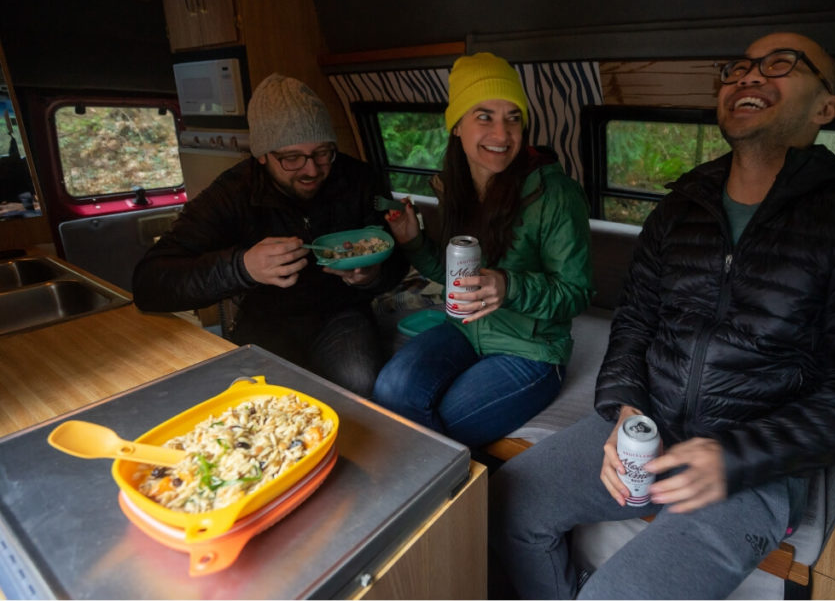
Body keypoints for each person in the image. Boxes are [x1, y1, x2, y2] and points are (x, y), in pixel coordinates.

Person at [490, 32, 835, 599]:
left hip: (757, 464)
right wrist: (625, 409)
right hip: (650, 423)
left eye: (780, 65)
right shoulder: (681, 207)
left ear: (825, 107)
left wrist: (737, 456)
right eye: (739, 68)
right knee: (506, 501)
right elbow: (634, 320)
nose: (748, 76)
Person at [132, 73, 408, 396]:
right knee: (265, 398)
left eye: (323, 152)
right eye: (292, 157)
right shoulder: (233, 193)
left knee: (358, 382)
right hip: (266, 320)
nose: (312, 169)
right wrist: (242, 267)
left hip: (342, 315)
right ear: (262, 154)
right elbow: (149, 283)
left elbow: (398, 262)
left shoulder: (358, 179)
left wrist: (373, 275)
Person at [372, 52, 593, 449]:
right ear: (457, 125)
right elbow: (456, 279)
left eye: (513, 117)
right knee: (390, 389)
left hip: (532, 351)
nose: (502, 133)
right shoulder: (456, 187)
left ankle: (446, 504)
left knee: (445, 426)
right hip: (465, 330)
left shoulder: (555, 194)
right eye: (484, 116)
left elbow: (575, 293)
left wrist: (509, 286)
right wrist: (413, 242)